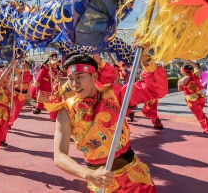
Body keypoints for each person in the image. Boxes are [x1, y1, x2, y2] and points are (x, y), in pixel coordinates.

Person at [50, 54, 157, 192]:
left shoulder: (114, 94)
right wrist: (89, 174)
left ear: (94, 76)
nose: (74, 83)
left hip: (135, 177)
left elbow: (153, 90)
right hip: (102, 183)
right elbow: (59, 156)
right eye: (70, 78)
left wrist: (147, 61)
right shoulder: (66, 112)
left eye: (80, 77)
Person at [178, 64, 208, 141]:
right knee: (201, 114)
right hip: (201, 98)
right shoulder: (195, 75)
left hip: (192, 100)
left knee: (201, 116)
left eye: (181, 68)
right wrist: (188, 61)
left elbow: (180, 90)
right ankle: (205, 128)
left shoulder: (181, 80)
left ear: (183, 71)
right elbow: (198, 67)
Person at [128, 52, 168, 129]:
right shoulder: (156, 71)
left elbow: (147, 63)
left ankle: (156, 122)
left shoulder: (152, 70)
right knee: (149, 109)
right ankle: (157, 122)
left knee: (147, 109)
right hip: (150, 93)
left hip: (149, 93)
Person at [8, 60, 33, 128]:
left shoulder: (29, 75)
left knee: (16, 110)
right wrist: (14, 65)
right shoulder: (19, 72)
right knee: (9, 108)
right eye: (22, 65)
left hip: (21, 95)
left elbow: (23, 81)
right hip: (13, 92)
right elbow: (13, 68)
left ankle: (10, 122)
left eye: (25, 65)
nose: (23, 66)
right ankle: (5, 122)